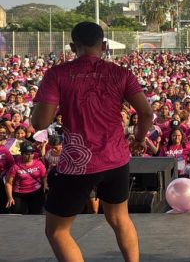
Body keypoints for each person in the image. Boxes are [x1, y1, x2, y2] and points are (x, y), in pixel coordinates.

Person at [30, 22, 153, 262]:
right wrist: (138, 139)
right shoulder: (122, 73)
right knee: (120, 219)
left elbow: (39, 124)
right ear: (104, 46)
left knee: (57, 230)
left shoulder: (57, 74)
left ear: (72, 46)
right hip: (116, 160)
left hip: (78, 164)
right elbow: (146, 114)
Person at [4, 141, 47, 214]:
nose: (30, 156)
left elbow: (44, 176)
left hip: (36, 193)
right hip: (19, 194)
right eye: (27, 154)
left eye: (32, 153)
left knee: (35, 215)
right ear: (22, 154)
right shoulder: (15, 166)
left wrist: (45, 184)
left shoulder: (38, 163)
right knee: (18, 216)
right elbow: (8, 183)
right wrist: (10, 198)